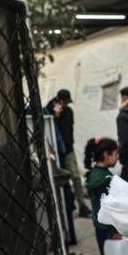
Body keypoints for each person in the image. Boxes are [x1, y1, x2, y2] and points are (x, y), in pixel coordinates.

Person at [45, 89, 91, 218]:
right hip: (55, 151)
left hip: (68, 148)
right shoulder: (48, 110)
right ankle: (67, 205)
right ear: (58, 100)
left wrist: (69, 145)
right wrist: (55, 116)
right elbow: (50, 129)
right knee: (61, 179)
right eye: (64, 102)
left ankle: (82, 205)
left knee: (75, 176)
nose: (65, 105)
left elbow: (68, 130)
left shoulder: (69, 111)